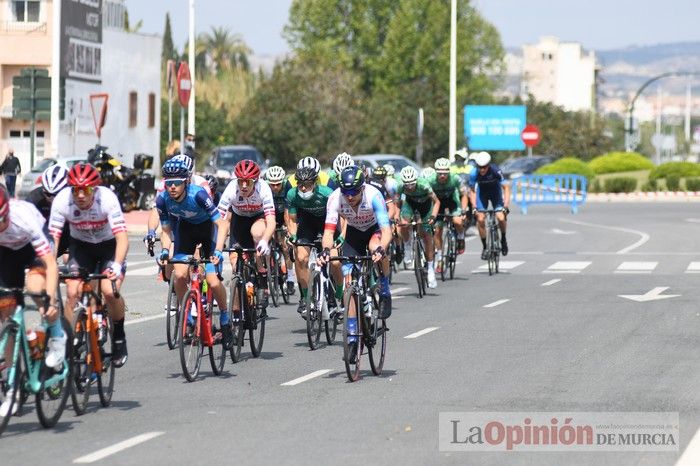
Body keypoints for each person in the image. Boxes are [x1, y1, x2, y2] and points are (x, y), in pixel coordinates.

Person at [48, 162, 130, 367]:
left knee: (109, 291)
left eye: (86, 190)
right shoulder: (62, 201)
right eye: (76, 190)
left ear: (95, 189)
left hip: (109, 246)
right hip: (81, 247)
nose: (81, 195)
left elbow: (122, 239)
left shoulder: (107, 199)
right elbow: (53, 240)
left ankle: (118, 335)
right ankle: (70, 337)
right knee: (73, 292)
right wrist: (50, 266)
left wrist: (117, 266)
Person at [0, 184, 65, 416]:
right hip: (6, 252)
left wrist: (51, 301)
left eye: (1, 220)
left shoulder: (23, 218)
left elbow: (50, 264)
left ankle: (57, 336)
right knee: (6, 311)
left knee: (36, 289)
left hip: (33, 248)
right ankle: (12, 383)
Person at [317, 166, 392, 360]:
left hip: (374, 229)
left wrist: (381, 249)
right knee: (349, 282)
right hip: (354, 234)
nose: (349, 197)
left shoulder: (374, 195)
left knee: (376, 246)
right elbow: (328, 232)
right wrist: (326, 250)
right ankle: (352, 337)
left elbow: (387, 231)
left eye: (354, 192)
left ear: (362, 188)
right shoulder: (335, 198)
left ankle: (384, 289)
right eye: (346, 192)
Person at [155, 157, 231, 345]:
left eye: (176, 183)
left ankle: (224, 317)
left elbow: (221, 225)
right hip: (185, 232)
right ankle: (187, 316)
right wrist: (165, 249)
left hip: (208, 232)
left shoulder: (198, 195)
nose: (172, 187)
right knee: (179, 275)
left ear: (186, 181)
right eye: (168, 183)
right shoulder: (162, 199)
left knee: (213, 282)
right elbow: (165, 231)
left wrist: (219, 251)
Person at [217, 160, 276, 310]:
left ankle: (262, 279)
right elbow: (218, 219)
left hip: (258, 217)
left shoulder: (263, 189)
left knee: (257, 234)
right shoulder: (231, 189)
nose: (243, 185)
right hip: (239, 220)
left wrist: (265, 240)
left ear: (255, 182)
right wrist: (215, 242)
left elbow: (271, 222)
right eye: (241, 181)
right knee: (236, 268)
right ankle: (236, 315)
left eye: (248, 182)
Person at [286, 166, 342, 317]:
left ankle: (340, 291)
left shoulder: (327, 193)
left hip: (327, 223)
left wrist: (341, 235)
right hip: (308, 224)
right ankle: (305, 297)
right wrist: (292, 236)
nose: (303, 188)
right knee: (301, 257)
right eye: (300, 184)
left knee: (335, 261)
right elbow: (291, 220)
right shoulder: (292, 194)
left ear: (315, 183)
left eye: (308, 184)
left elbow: (342, 216)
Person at [396, 166, 440, 288]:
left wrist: (433, 217)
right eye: (407, 185)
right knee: (404, 223)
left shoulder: (424, 184)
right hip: (410, 204)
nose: (409, 187)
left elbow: (437, 202)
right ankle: (408, 246)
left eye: (412, 184)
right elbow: (397, 203)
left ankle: (430, 269)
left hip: (426, 206)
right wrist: (396, 216)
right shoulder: (400, 186)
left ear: (416, 180)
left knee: (427, 236)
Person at [468, 152, 510, 259]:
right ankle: (485, 247)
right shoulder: (473, 173)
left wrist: (506, 205)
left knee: (500, 217)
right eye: (479, 167)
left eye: (484, 167)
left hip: (495, 193)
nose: (482, 170)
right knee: (480, 219)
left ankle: (503, 239)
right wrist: (474, 207)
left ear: (488, 165)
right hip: (482, 194)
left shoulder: (496, 170)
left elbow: (506, 187)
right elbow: (472, 191)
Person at [429, 158, 468, 266]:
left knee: (458, 221)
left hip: (452, 202)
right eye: (440, 173)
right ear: (436, 172)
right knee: (437, 231)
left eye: (445, 173)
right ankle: (440, 259)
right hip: (438, 204)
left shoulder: (455, 178)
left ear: (449, 172)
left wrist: (464, 210)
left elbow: (464, 194)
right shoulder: (430, 180)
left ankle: (461, 237)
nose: (442, 176)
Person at [26, 164, 71, 258]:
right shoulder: (34, 198)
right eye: (47, 194)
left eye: (57, 194)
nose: (52, 199)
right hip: (44, 237)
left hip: (68, 236)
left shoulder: (74, 199)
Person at [265, 166, 296, 295]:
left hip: (284, 215)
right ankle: (271, 265)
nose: (275, 187)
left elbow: (289, 211)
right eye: (272, 185)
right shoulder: (264, 188)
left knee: (285, 247)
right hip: (270, 214)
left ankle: (290, 278)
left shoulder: (288, 187)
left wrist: (287, 228)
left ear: (282, 182)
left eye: (278, 184)